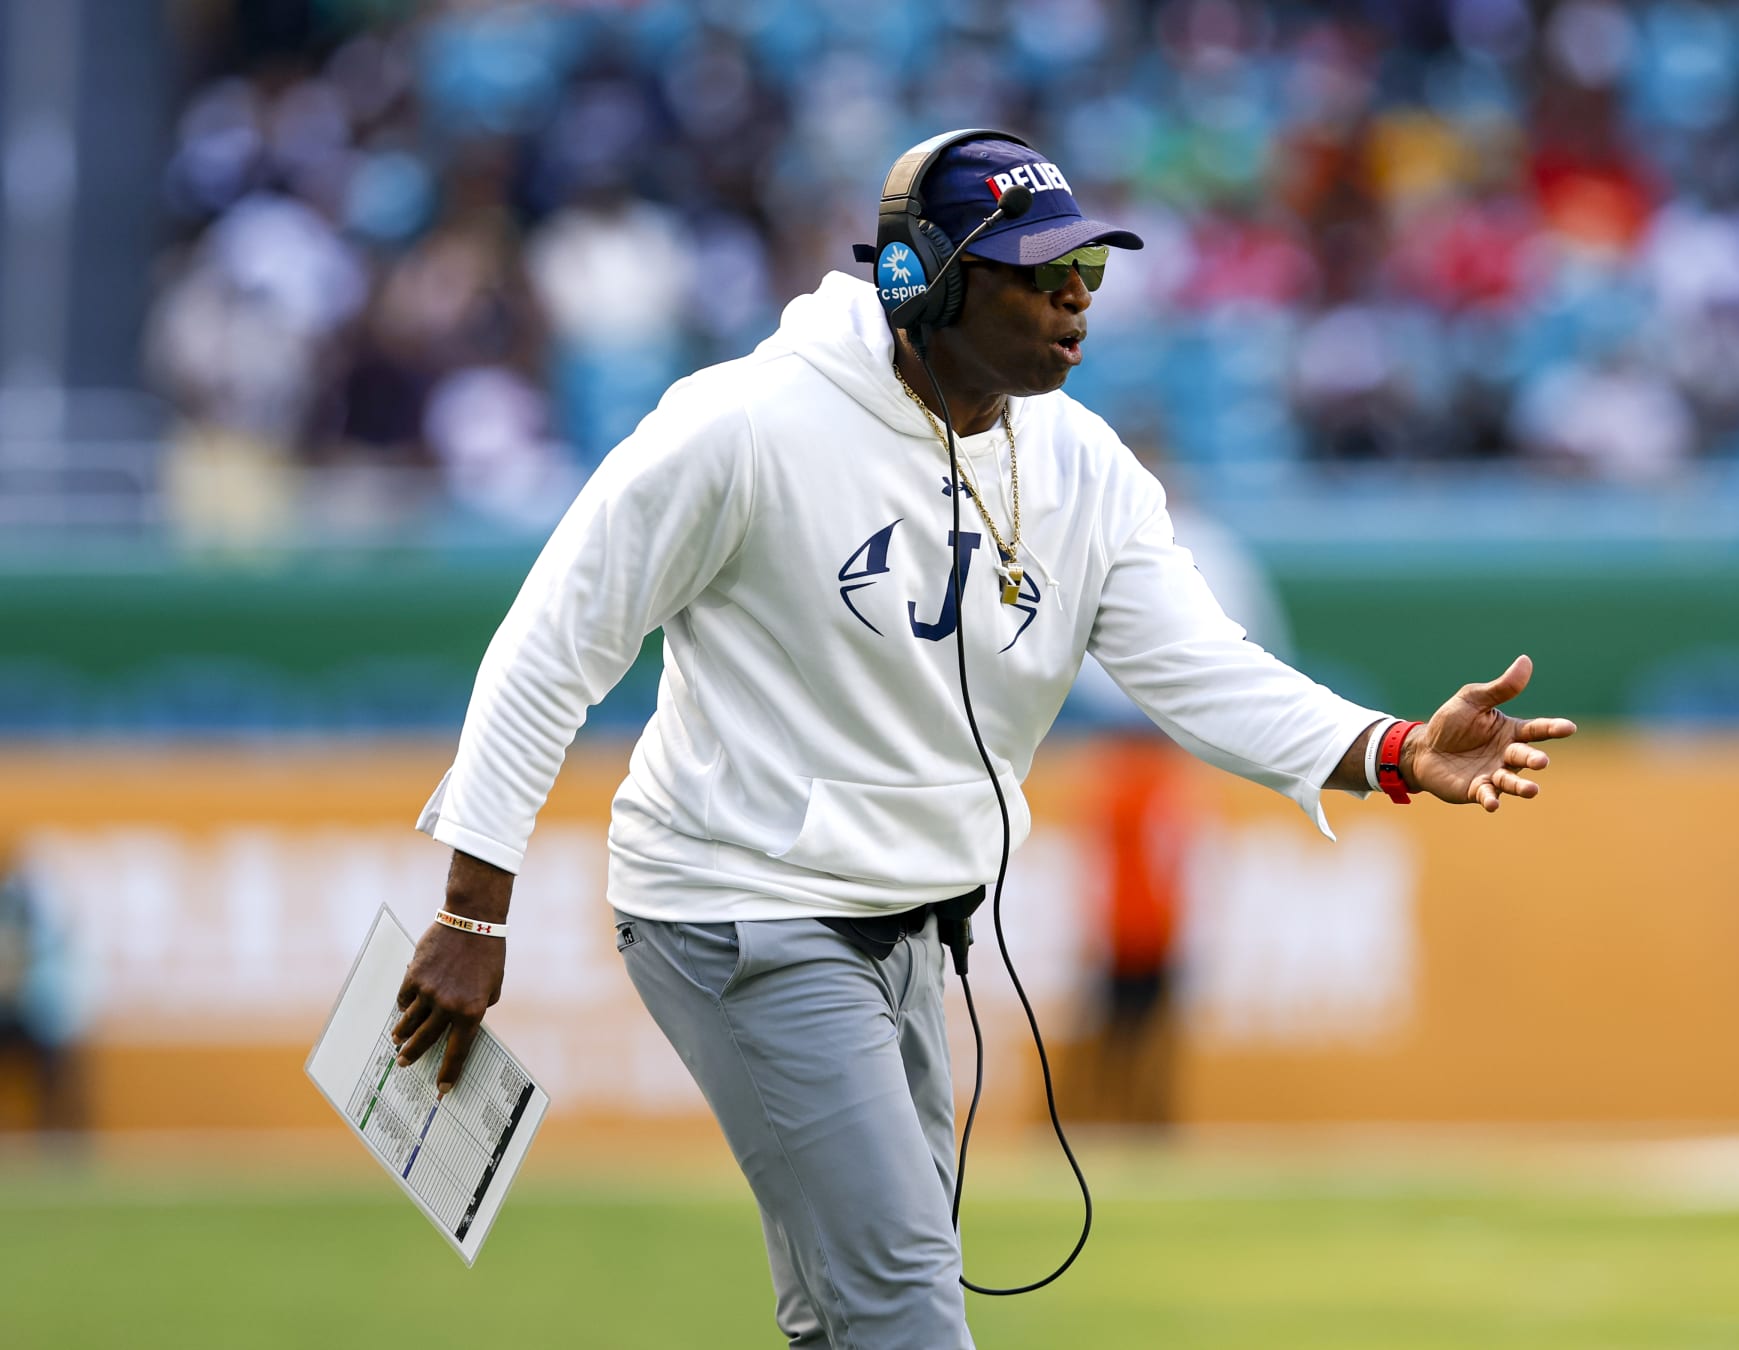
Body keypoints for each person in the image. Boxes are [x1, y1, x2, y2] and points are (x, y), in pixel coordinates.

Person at [391, 130, 1576, 1349]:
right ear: (926, 281)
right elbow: (551, 646)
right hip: (738, 904)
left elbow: (1200, 669)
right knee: (906, 1306)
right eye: (1037, 270)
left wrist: (1388, 749)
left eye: (1090, 274)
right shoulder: (739, 426)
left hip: (911, 923)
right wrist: (475, 907)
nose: (1076, 298)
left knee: (848, 1318)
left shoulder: (1081, 464)